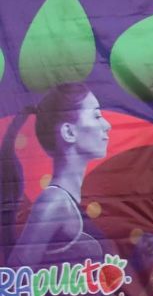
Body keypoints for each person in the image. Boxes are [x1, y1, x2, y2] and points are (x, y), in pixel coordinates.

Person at [1, 82, 112, 268]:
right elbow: (16, 281)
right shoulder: (54, 202)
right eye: (96, 115)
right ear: (69, 132)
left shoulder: (66, 201)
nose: (107, 125)